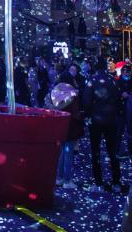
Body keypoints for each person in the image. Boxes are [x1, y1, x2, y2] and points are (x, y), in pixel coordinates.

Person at [83, 57, 122, 193]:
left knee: (96, 151)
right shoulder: (112, 81)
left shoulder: (92, 82)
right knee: (112, 152)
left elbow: (86, 102)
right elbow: (119, 99)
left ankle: (99, 183)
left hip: (96, 121)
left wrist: (87, 116)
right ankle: (116, 182)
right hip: (111, 120)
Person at [52, 83, 84, 189]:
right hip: (72, 128)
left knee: (61, 153)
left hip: (61, 128)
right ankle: (67, 180)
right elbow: (76, 115)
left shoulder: (55, 96)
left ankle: (59, 178)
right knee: (69, 154)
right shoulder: (72, 97)